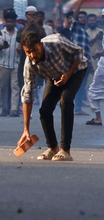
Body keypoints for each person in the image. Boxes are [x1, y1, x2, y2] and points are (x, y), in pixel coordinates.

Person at [18, 29, 87, 161]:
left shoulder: (57, 42)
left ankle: (65, 150)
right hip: (54, 75)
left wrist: (68, 73)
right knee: (45, 110)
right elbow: (28, 95)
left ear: (41, 45)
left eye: (34, 50)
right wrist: (26, 129)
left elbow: (79, 52)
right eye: (28, 52)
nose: (32, 55)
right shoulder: (29, 65)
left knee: (65, 101)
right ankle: (52, 147)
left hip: (76, 69)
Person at [1, 9, 21, 116]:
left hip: (15, 64)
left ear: (15, 22)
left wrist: (21, 49)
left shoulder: (19, 34)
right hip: (3, 64)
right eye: (8, 22)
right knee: (3, 88)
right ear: (5, 21)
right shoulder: (1, 33)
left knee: (15, 88)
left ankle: (13, 110)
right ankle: (4, 108)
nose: (9, 24)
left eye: (11, 22)